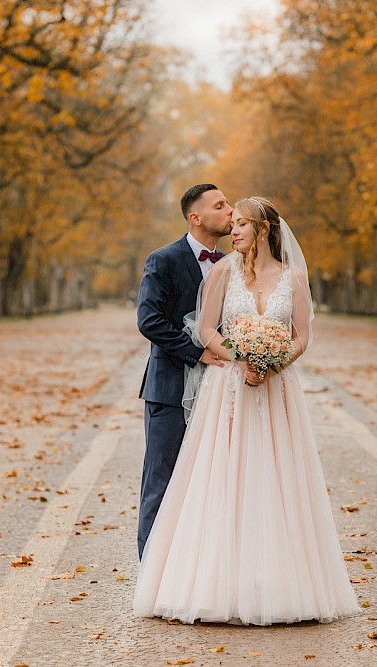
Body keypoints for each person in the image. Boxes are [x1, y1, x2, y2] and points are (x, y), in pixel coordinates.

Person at [133, 196, 360, 625]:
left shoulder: (293, 278)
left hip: (277, 392)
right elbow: (205, 328)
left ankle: (279, 585)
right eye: (230, 222)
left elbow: (301, 337)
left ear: (263, 229)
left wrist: (272, 362)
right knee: (222, 476)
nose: (233, 230)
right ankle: (212, 583)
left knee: (276, 479)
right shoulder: (223, 270)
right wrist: (241, 358)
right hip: (229, 387)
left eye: (240, 224)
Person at [136, 184, 233, 559]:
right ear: (196, 218)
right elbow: (150, 321)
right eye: (220, 206)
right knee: (160, 482)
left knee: (210, 482)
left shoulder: (233, 263)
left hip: (222, 389)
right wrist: (198, 352)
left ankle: (196, 570)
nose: (229, 211)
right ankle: (152, 574)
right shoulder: (163, 259)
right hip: (170, 389)